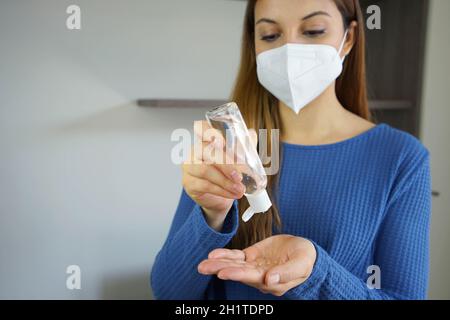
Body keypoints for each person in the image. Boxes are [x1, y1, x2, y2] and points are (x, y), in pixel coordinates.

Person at [151, 0, 431, 300]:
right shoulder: (230, 145)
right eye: (270, 36)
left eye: (313, 30)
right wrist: (210, 216)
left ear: (348, 38)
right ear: (254, 45)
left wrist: (317, 273)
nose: (290, 50)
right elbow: (168, 293)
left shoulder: (400, 157)